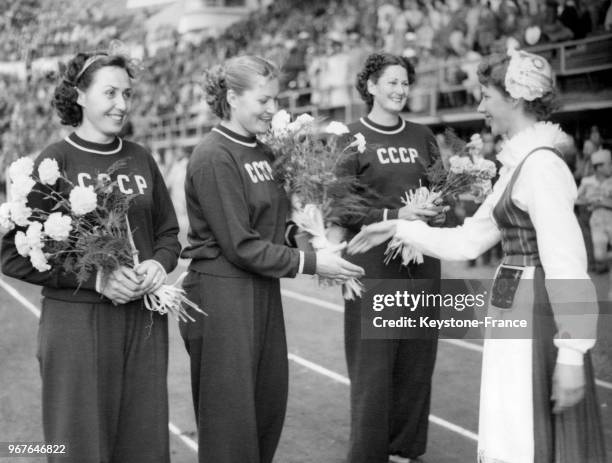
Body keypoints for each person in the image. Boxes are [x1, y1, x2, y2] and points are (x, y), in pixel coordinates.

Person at [347, 49, 607, 463]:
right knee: (506, 416)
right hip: (510, 296)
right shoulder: (518, 164)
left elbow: (567, 262)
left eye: (486, 95)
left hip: (535, 304)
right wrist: (396, 224)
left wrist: (573, 353)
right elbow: (470, 240)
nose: (480, 106)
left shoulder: (541, 166)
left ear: (515, 98)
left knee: (524, 425)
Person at [178, 55, 365, 463]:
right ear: (232, 97)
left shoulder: (264, 151)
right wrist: (314, 263)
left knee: (267, 407)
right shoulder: (214, 155)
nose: (271, 109)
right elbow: (240, 245)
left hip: (261, 289)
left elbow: (277, 228)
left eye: (275, 101)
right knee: (231, 425)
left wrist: (317, 236)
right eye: (263, 100)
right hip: (221, 294)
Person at [1, 51, 181, 463]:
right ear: (80, 95)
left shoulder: (140, 157)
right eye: (111, 92)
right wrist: (95, 279)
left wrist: (159, 263)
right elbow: (10, 253)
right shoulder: (53, 161)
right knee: (77, 444)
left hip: (143, 319)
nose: (122, 104)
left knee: (145, 443)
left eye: (128, 94)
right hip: (77, 324)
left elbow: (168, 232)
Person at [337, 52, 445, 463]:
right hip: (374, 266)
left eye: (405, 83)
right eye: (392, 82)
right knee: (374, 369)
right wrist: (395, 216)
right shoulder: (350, 137)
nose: (400, 90)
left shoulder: (423, 136)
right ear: (371, 86)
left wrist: (437, 208)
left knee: (417, 364)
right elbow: (340, 208)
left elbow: (441, 193)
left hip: (422, 264)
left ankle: (406, 449)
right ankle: (367, 454)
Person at [577, 149, 612, 279]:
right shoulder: (587, 182)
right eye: (610, 164)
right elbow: (576, 198)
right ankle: (601, 264)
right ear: (599, 167)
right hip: (596, 222)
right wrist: (587, 201)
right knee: (599, 256)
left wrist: (602, 202)